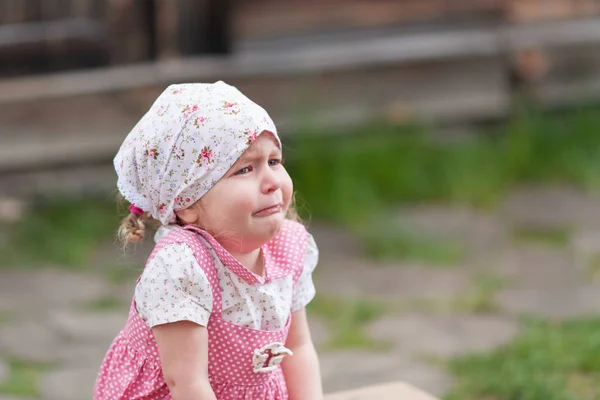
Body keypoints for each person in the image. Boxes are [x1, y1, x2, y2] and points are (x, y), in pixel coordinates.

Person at [93, 81, 323, 399]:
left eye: (274, 161)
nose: (271, 181)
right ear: (187, 203)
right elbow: (187, 382)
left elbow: (298, 346)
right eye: (244, 169)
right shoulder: (182, 267)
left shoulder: (287, 247)